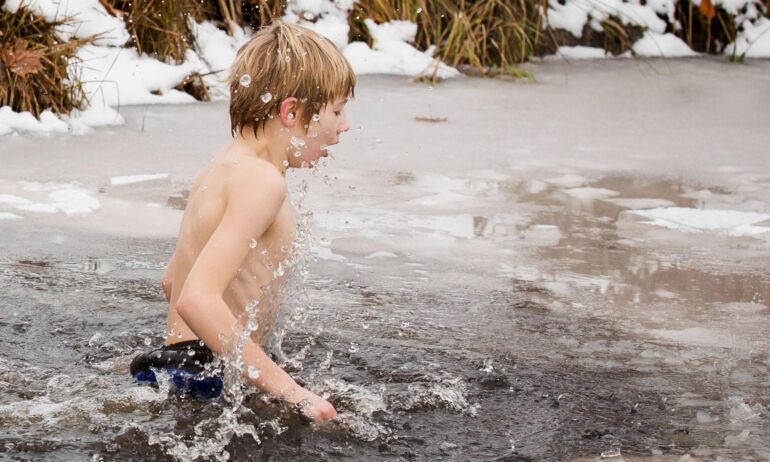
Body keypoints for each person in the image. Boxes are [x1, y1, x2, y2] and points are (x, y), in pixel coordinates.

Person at [129, 21, 354, 421]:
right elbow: (195, 298)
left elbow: (172, 278)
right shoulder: (262, 181)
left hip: (186, 367)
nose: (344, 125)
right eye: (336, 111)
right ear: (291, 111)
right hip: (205, 379)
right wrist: (292, 391)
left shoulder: (224, 164)